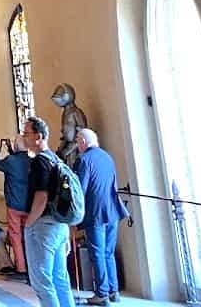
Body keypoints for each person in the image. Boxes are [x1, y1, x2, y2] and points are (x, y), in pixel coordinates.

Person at [23, 115, 75, 307]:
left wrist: (29, 224)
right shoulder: (56, 158)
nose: (24, 137)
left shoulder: (39, 162)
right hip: (59, 225)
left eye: (26, 133)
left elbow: (41, 197)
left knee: (42, 282)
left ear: (38, 137)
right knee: (60, 279)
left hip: (43, 226)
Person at [75, 128, 129, 305]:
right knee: (108, 252)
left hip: (95, 211)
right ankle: (113, 290)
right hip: (112, 209)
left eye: (78, 141)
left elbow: (81, 189)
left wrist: (73, 212)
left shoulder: (84, 159)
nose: (77, 145)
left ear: (83, 141)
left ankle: (102, 293)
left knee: (97, 253)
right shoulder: (107, 157)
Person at [0, 135, 30, 277]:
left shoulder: (10, 161)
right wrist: (11, 149)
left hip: (14, 205)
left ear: (16, 146)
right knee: (26, 236)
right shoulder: (31, 161)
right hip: (28, 206)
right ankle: (28, 265)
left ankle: (21, 268)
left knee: (15, 236)